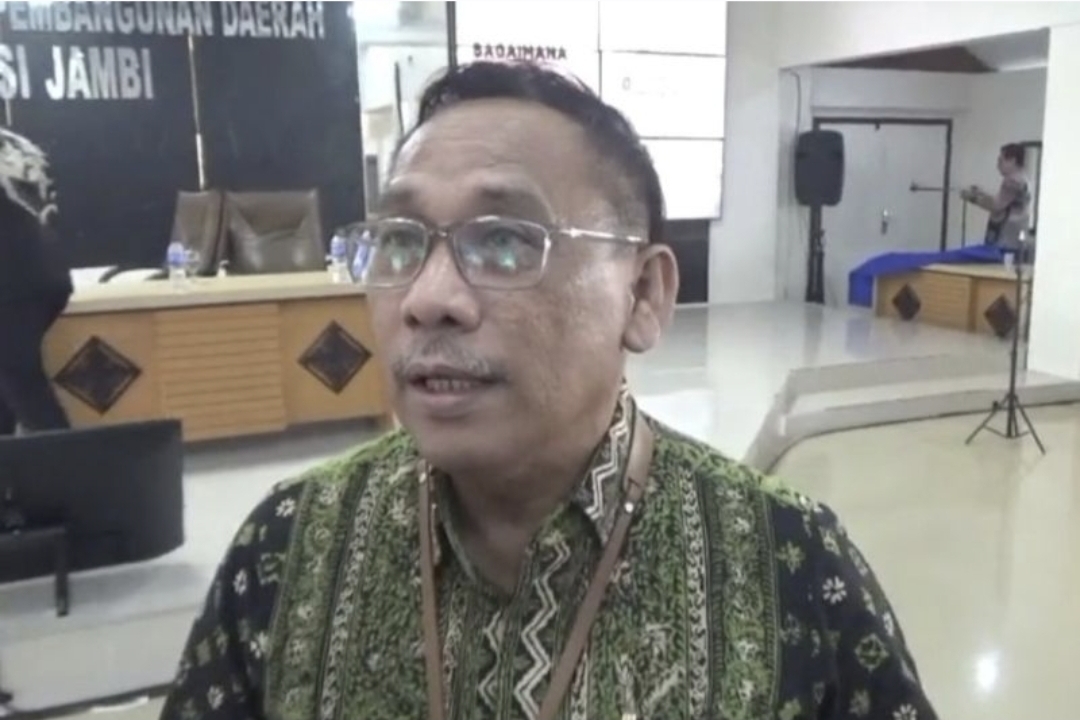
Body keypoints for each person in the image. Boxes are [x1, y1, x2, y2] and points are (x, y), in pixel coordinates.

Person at [161, 62, 938, 720]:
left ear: (643, 295)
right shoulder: (286, 546)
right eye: (399, 241)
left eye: (503, 241)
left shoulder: (790, 564)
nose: (429, 299)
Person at [0, 127, 71, 436]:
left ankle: (66, 461)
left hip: (11, 281)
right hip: (46, 272)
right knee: (10, 378)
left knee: (22, 381)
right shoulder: (16, 143)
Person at [961, 142, 1031, 247]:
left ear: (1012, 160)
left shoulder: (1012, 181)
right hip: (1016, 231)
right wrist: (981, 193)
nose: (998, 165)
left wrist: (972, 198)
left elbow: (996, 205)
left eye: (1000, 161)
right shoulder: (1023, 178)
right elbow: (1005, 200)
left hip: (1006, 234)